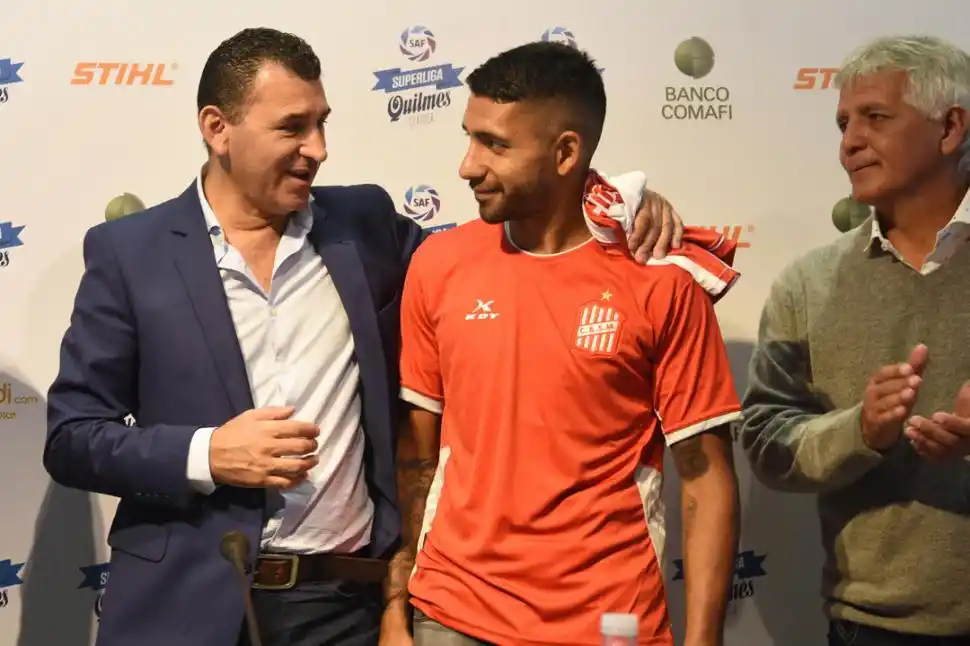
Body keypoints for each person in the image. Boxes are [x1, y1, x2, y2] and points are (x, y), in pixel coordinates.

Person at [43, 28, 685, 646]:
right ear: (218, 129)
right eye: (292, 128)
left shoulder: (365, 223)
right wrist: (208, 454)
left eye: (322, 123)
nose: (318, 148)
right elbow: (73, 439)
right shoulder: (130, 253)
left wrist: (613, 200)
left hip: (342, 608)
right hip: (181, 605)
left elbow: (503, 240)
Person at [382, 41, 741, 646]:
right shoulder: (437, 263)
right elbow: (417, 455)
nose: (468, 166)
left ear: (566, 151)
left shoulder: (662, 282)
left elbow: (706, 478)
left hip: (606, 622)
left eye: (495, 144)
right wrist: (396, 607)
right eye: (470, 137)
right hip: (451, 614)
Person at [740, 34, 970, 646]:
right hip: (873, 629)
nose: (849, 143)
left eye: (875, 118)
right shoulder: (807, 286)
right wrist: (860, 432)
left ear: (950, 128)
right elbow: (764, 441)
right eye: (843, 122)